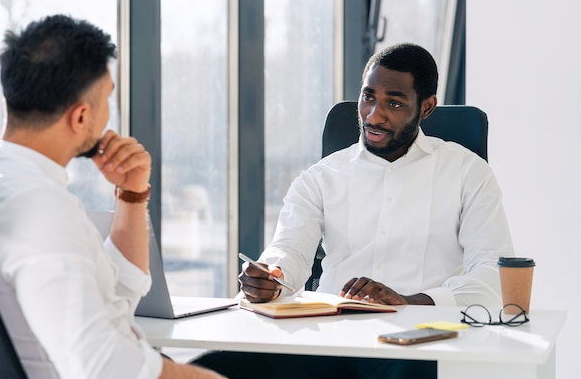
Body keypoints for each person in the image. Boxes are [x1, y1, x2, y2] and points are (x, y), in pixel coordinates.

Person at [191, 42, 514, 379]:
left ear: (427, 107)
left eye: (394, 103)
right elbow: (288, 251)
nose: (374, 115)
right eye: (368, 97)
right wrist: (271, 278)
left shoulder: (467, 174)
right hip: (329, 337)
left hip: (413, 342)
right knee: (211, 367)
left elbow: (493, 275)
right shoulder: (320, 177)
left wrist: (410, 301)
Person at [0, 14, 225, 379]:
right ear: (80, 117)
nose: (110, 114)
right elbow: (106, 368)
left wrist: (132, 193)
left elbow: (120, 295)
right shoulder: (40, 212)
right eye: (107, 98)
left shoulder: (0, 182)